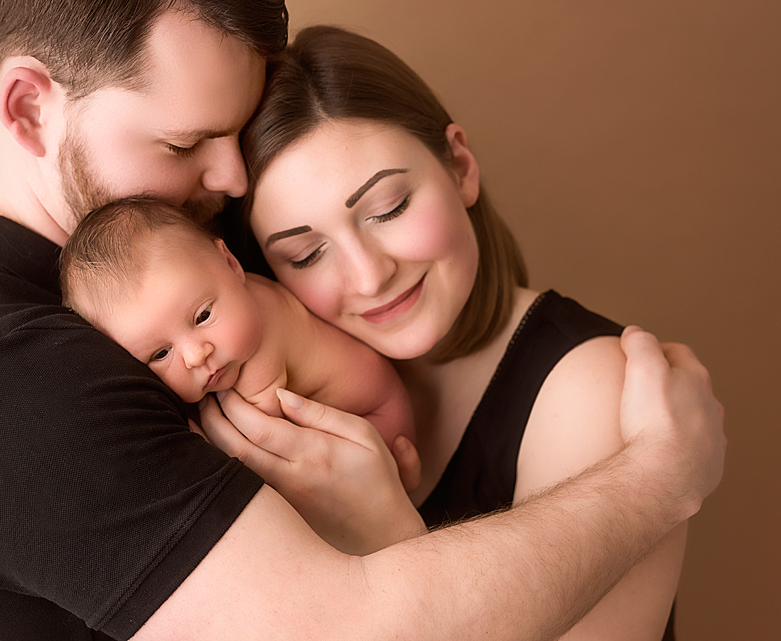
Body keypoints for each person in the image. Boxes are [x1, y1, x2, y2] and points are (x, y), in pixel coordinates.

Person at [0, 3, 725, 641]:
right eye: (183, 144)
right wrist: (660, 475)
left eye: (238, 134)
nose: (233, 177)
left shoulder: (202, 241)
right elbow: (363, 628)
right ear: (26, 108)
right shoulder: (2, 382)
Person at [207, 25, 697, 640]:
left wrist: (386, 537)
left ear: (460, 166)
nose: (368, 275)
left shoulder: (592, 390)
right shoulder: (270, 407)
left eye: (388, 209)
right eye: (306, 254)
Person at [58, 196, 415, 473]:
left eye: (203, 316)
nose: (196, 356)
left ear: (230, 263)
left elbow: (260, 448)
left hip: (378, 419)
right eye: (160, 354)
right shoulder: (237, 293)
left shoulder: (259, 359)